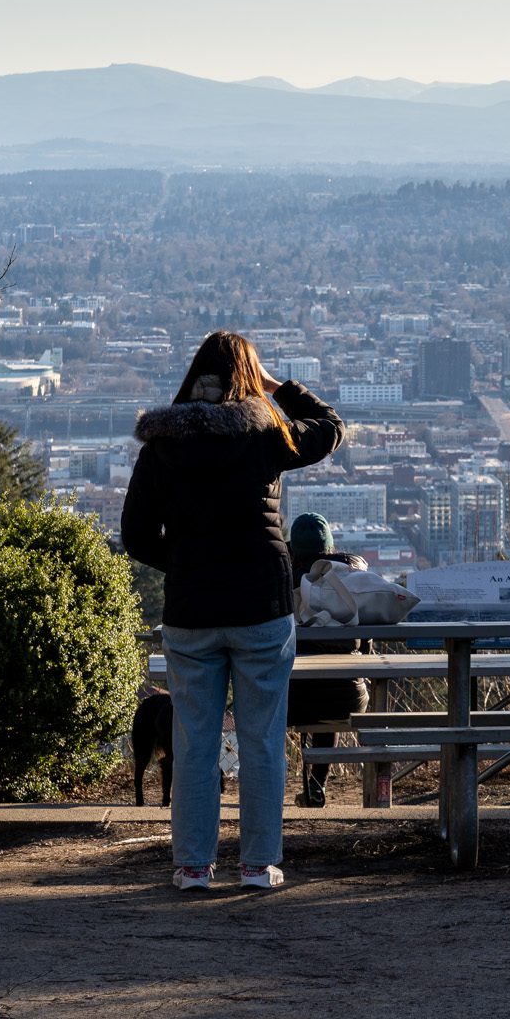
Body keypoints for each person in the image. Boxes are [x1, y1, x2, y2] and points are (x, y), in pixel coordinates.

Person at [122, 331, 344, 891]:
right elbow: (330, 430)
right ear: (247, 379)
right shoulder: (265, 436)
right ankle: (257, 864)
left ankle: (193, 865)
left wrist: (184, 562)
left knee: (194, 742)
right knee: (263, 739)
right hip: (259, 607)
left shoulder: (161, 447)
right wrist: (278, 387)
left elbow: (135, 534)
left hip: (192, 610)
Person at [286, 513, 371, 808]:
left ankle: (266, 786)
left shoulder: (285, 580)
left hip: (292, 700)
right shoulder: (352, 581)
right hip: (349, 697)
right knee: (332, 686)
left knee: (276, 702)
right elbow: (367, 646)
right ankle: (316, 785)